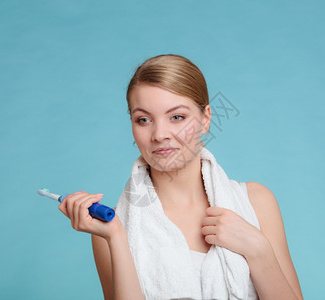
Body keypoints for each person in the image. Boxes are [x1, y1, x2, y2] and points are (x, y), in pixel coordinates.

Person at [58, 54, 303, 300]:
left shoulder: (256, 202)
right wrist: (117, 237)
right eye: (143, 120)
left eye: (177, 117)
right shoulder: (111, 227)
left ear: (205, 119)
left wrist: (259, 252)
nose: (160, 134)